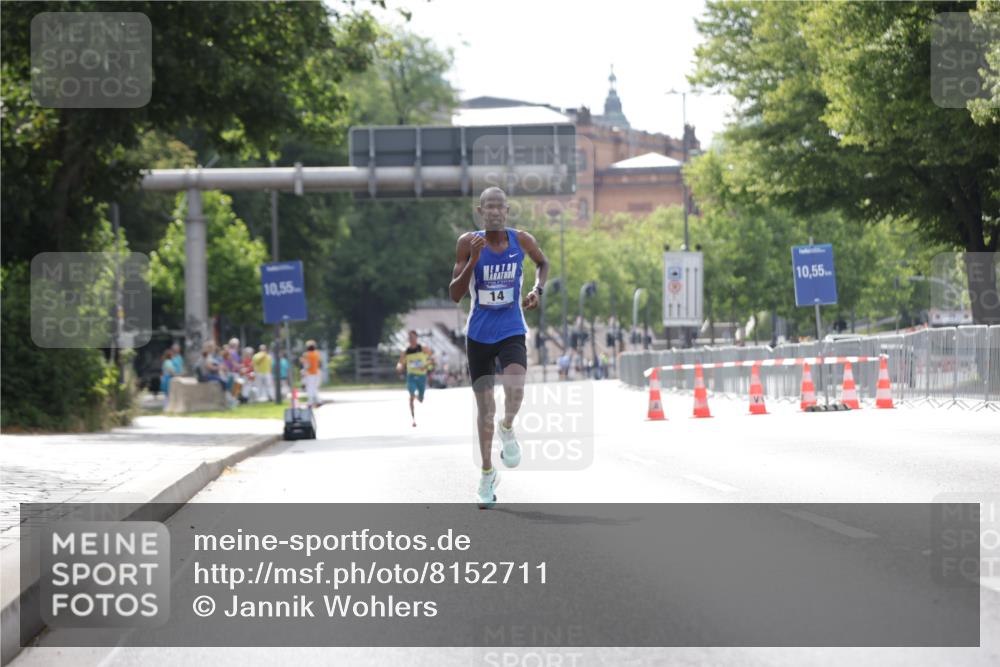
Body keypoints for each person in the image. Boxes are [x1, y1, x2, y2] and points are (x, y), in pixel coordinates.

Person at [448, 186, 548, 508]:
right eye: (487, 207)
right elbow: (454, 293)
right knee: (485, 409)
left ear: (506, 211)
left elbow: (542, 264)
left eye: (499, 207)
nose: (493, 212)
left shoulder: (522, 241)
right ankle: (487, 475)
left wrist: (537, 290)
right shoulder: (468, 243)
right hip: (478, 333)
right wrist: (474, 260)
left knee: (516, 387)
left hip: (511, 327)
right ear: (480, 212)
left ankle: (509, 427)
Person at [396, 330, 435, 427]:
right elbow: (401, 362)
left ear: (417, 338)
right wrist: (399, 367)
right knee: (411, 396)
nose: (411, 340)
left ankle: (419, 397)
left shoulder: (423, 348)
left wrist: (425, 365)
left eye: (413, 338)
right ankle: (413, 419)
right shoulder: (406, 351)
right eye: (409, 338)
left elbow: (433, 358)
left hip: (422, 376)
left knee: (421, 399)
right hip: (411, 376)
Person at [300, 340, 322, 409]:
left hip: (310, 373)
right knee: (314, 388)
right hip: (317, 373)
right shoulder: (317, 353)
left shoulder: (307, 354)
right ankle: (318, 401)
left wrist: (303, 362)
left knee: (310, 388)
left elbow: (307, 365)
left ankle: (310, 403)